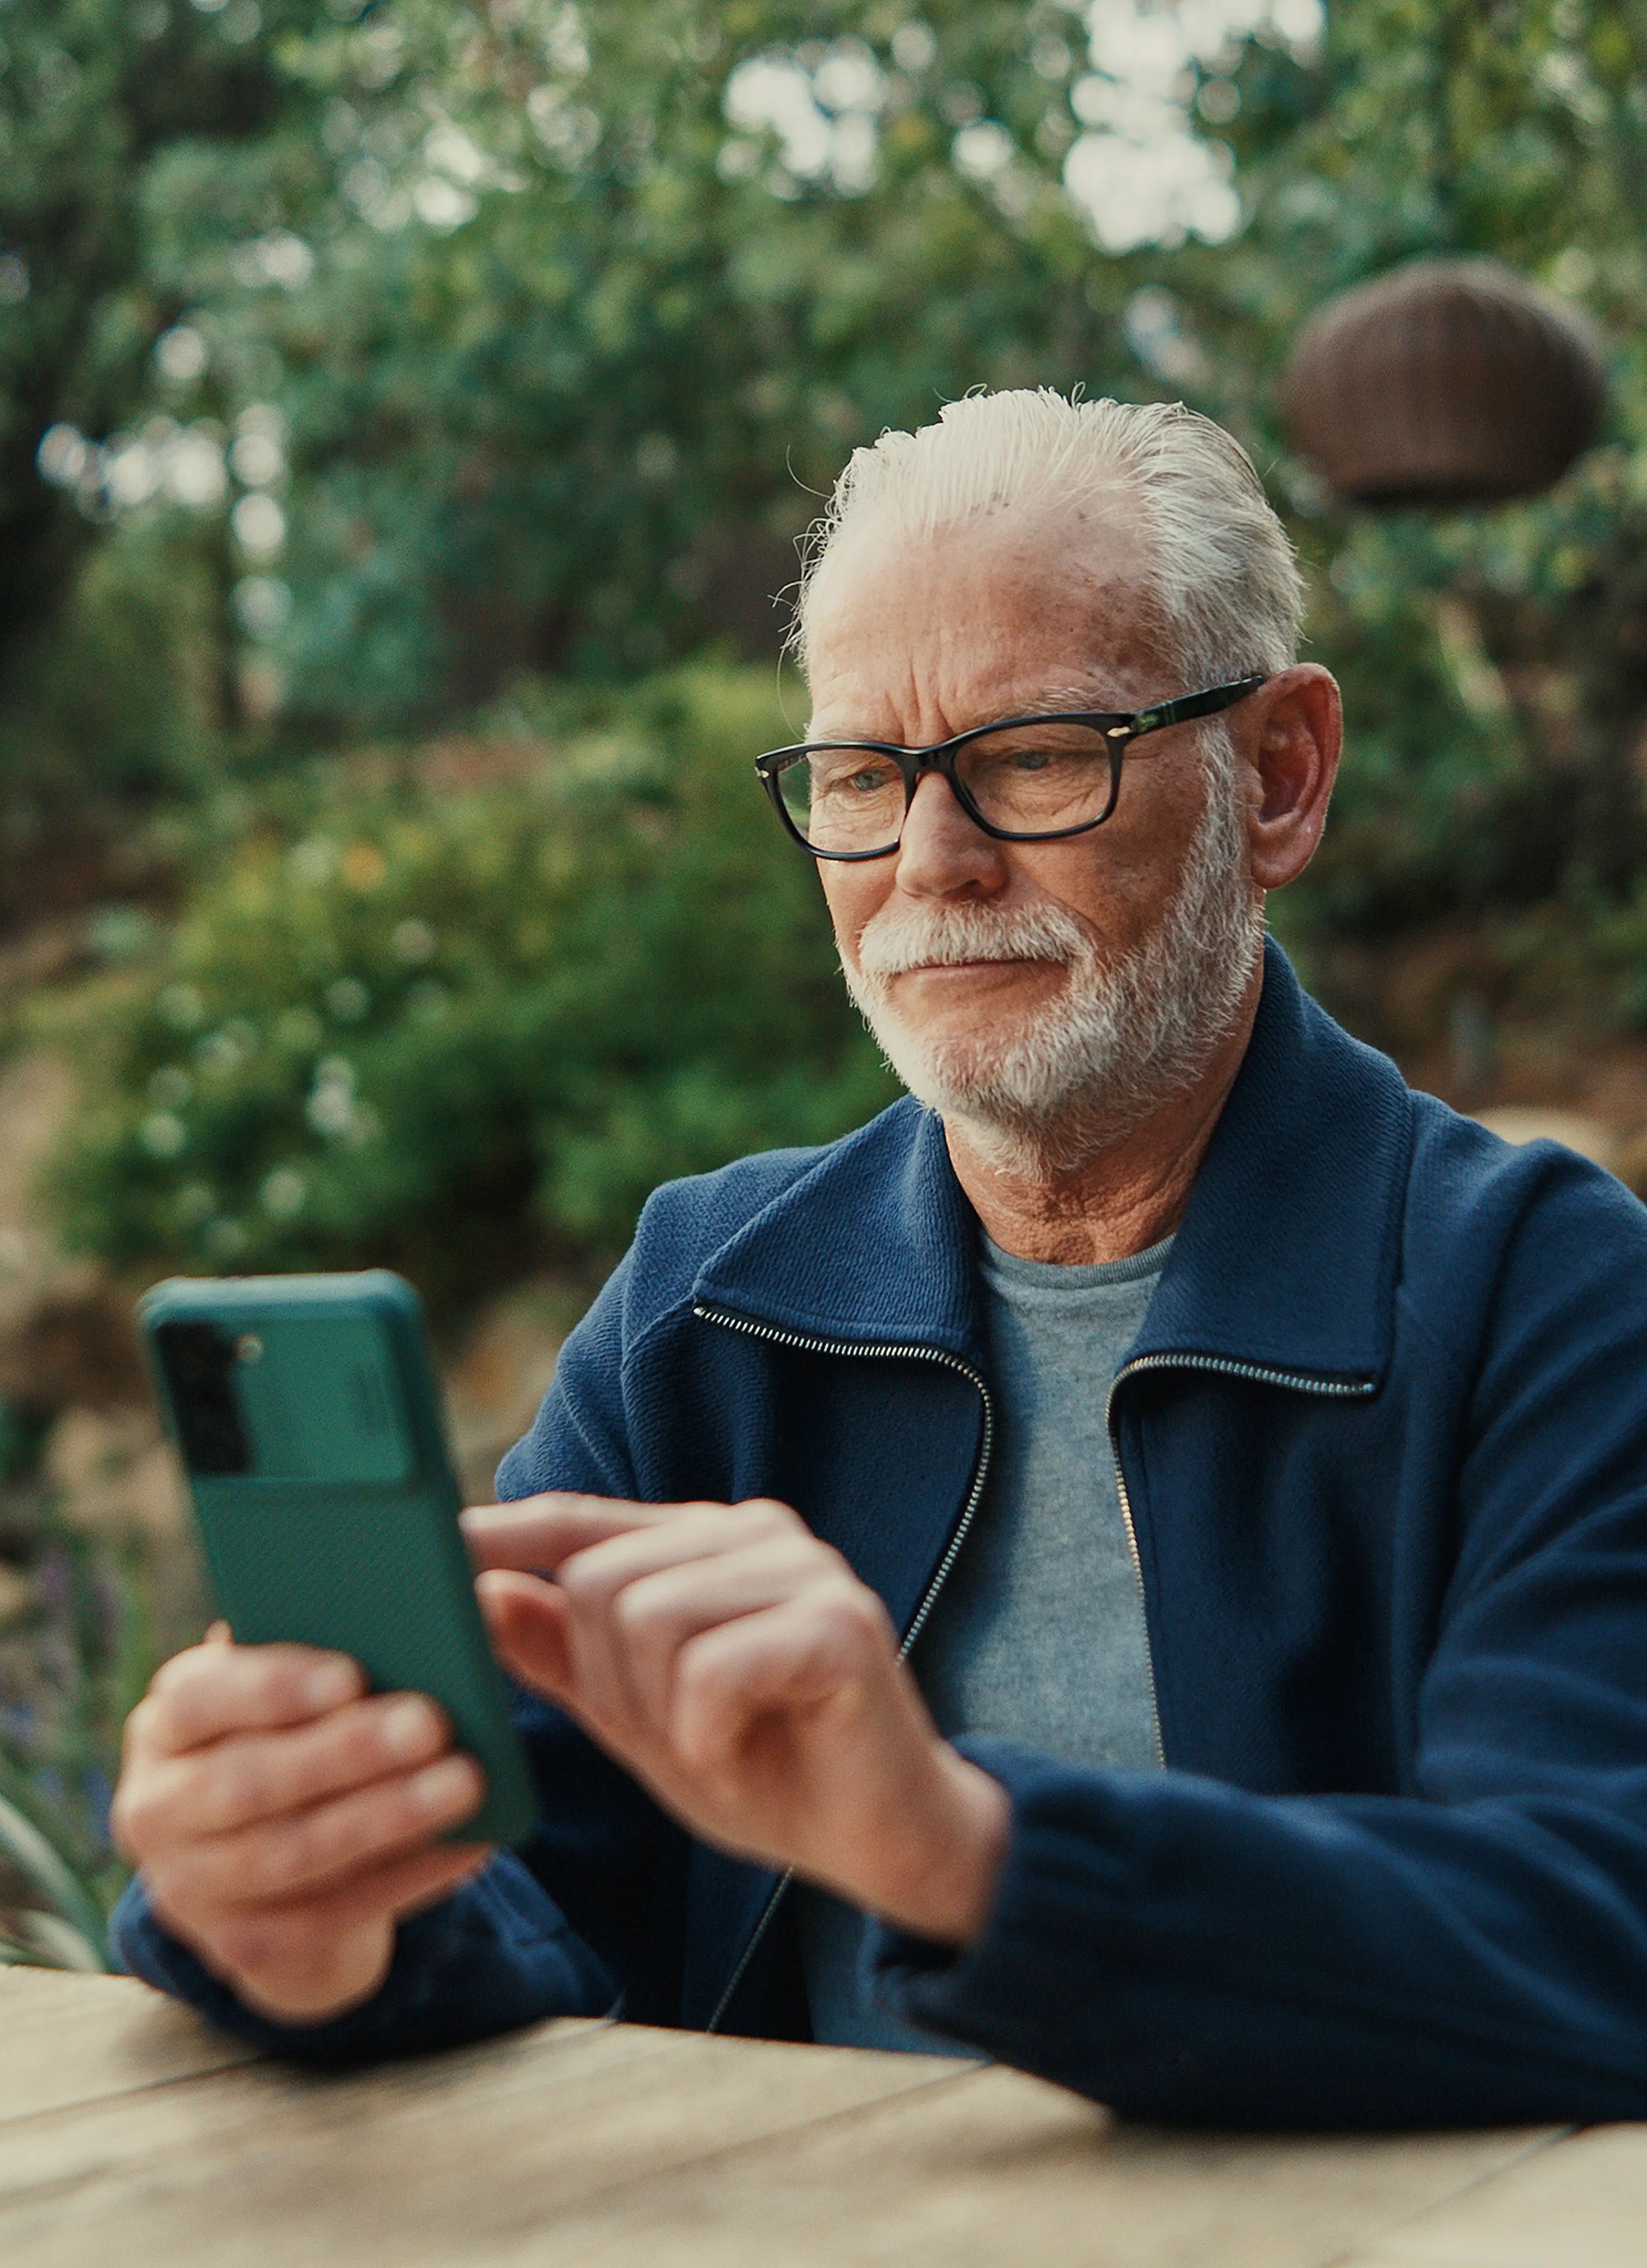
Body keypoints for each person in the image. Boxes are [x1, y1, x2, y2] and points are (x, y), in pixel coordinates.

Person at [110, 391, 1647, 2128]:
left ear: (1279, 776)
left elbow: (1595, 1931)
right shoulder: (712, 1304)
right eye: (862, 776)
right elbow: (534, 1897)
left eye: (1037, 755)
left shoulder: (1551, 1300)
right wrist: (320, 1921)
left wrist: (959, 1849)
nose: (932, 862)